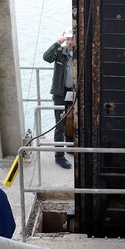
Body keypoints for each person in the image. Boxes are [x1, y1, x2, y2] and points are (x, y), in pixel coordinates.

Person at [43, 30, 75, 169]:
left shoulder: (78, 53)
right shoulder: (59, 52)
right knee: (60, 124)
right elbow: (46, 57)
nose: (69, 41)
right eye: (67, 39)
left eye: (71, 39)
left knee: (73, 121)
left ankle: (69, 147)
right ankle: (59, 156)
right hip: (60, 94)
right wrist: (57, 43)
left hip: (74, 92)